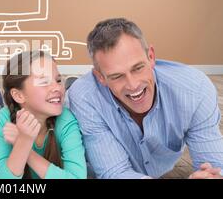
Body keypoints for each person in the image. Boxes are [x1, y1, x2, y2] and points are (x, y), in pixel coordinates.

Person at [67, 18, 223, 179]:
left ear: (151, 56)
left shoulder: (195, 90)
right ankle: (69, 84)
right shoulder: (85, 97)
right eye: (117, 76)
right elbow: (114, 172)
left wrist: (210, 176)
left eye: (138, 68)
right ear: (100, 77)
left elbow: (214, 166)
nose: (133, 85)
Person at [0, 50, 86, 179]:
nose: (57, 88)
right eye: (44, 82)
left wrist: (24, 146)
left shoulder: (66, 120)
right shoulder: (5, 118)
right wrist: (24, 141)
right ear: (18, 95)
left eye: (58, 80)